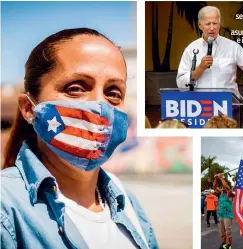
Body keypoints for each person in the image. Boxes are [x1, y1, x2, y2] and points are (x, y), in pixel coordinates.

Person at [1, 28, 158, 249]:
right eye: (75, 88)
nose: (100, 106)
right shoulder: (6, 206)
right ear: (29, 108)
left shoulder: (125, 199)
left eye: (113, 92)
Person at [176, 6, 243, 95]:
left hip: (228, 104)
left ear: (219, 23)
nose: (212, 28)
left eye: (215, 23)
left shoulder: (232, 46)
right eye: (208, 24)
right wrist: (200, 69)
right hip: (200, 105)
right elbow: (181, 84)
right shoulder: (191, 49)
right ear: (200, 25)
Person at [214, 173, 234, 249]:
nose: (223, 188)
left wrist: (221, 178)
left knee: (228, 232)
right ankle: (224, 246)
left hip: (227, 216)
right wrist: (215, 178)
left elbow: (227, 187)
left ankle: (229, 247)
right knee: (222, 233)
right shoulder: (221, 193)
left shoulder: (230, 193)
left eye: (224, 187)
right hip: (220, 215)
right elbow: (214, 186)